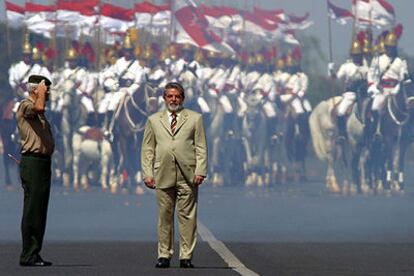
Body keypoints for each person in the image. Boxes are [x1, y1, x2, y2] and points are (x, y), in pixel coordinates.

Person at [141, 82, 208, 269]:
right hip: (162, 173)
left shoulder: (195, 118)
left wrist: (201, 170)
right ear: (164, 98)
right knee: (165, 216)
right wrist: (148, 173)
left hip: (188, 174)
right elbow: (147, 148)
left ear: (183, 98)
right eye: (170, 96)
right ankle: (164, 254)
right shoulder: (153, 120)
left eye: (177, 96)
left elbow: (201, 147)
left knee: (188, 217)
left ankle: (186, 256)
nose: (173, 99)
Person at [16, 75, 54, 266]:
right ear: (35, 89)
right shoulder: (26, 105)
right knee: (33, 209)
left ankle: (34, 251)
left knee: (40, 209)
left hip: (43, 163)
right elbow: (39, 107)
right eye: (46, 89)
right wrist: (40, 92)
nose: (48, 92)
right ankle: (28, 254)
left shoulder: (39, 112)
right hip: (33, 163)